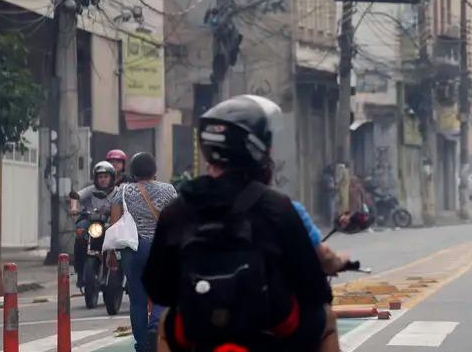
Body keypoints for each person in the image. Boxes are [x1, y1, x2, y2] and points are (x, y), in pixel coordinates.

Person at [144, 95, 334, 352]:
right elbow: (313, 287)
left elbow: (159, 289)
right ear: (255, 148)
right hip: (269, 334)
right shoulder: (277, 207)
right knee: (326, 320)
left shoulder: (177, 211)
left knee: (167, 322)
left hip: (200, 335)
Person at [111, 153, 177, 352]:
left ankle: (142, 346)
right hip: (159, 249)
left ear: (132, 171)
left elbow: (114, 225)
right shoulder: (168, 190)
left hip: (132, 250)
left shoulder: (121, 191)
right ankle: (155, 324)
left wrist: (111, 254)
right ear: (154, 170)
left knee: (137, 301)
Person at [71, 161, 117, 289]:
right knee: (80, 231)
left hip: (109, 222)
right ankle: (80, 270)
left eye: (105, 177)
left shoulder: (117, 191)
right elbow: (75, 196)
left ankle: (119, 271)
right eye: (100, 177)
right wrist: (74, 208)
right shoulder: (91, 190)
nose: (102, 180)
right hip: (91, 221)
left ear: (112, 177)